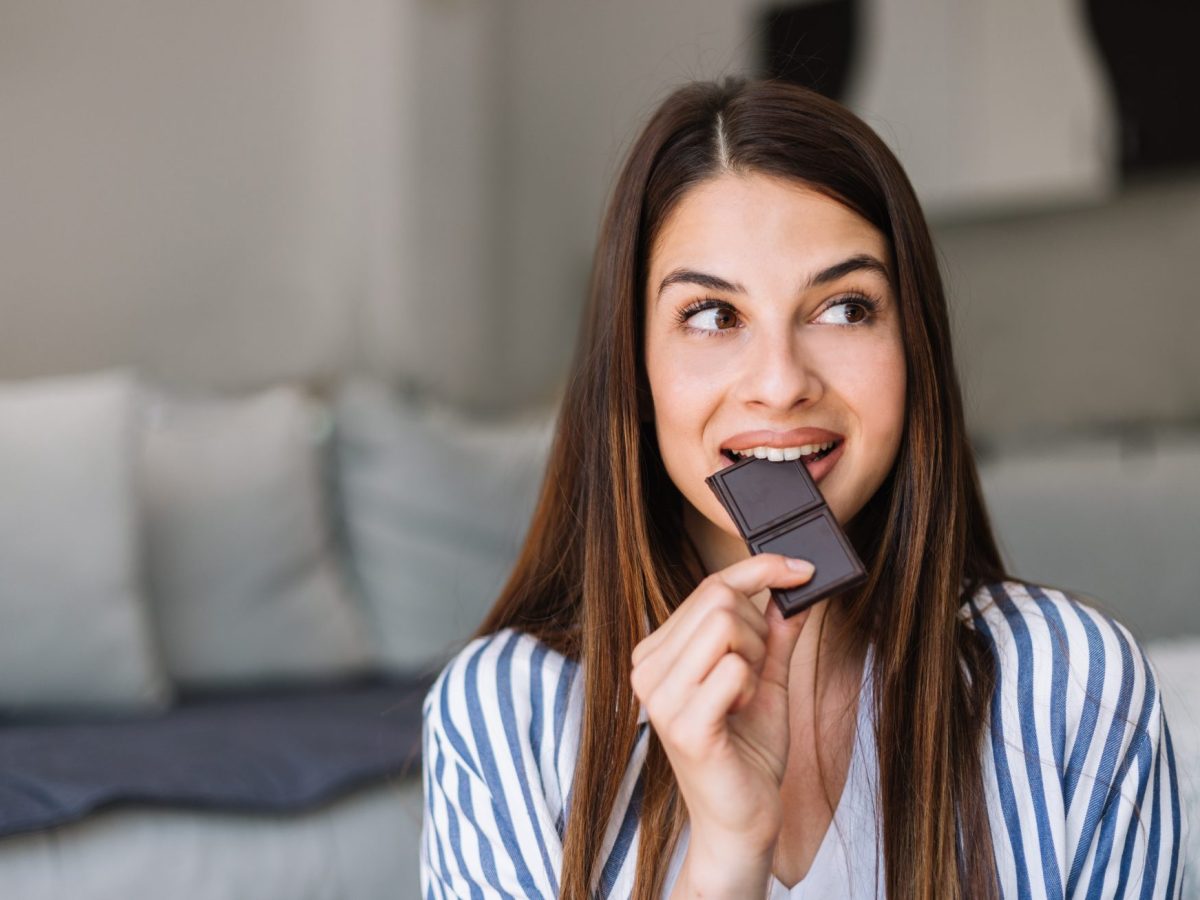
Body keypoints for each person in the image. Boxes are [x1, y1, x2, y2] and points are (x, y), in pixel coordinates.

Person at [418, 77, 1186, 898]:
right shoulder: (502, 717)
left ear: (914, 347)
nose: (781, 383)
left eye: (845, 308)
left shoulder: (1077, 685)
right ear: (634, 372)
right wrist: (723, 856)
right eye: (713, 316)